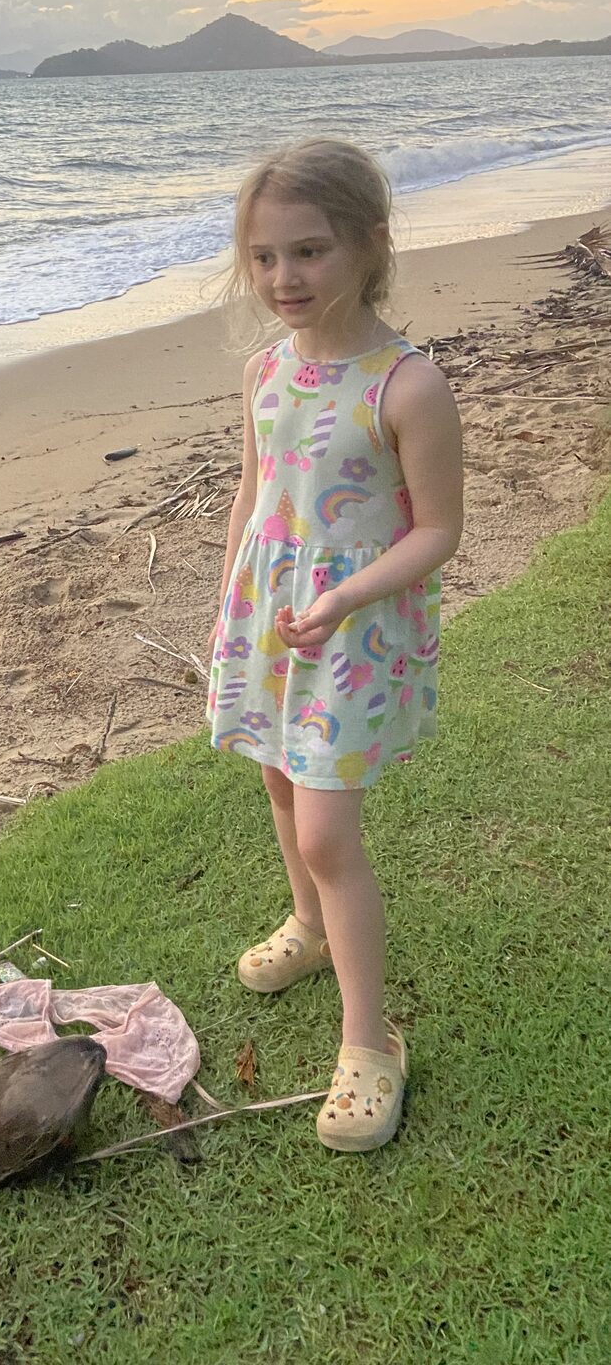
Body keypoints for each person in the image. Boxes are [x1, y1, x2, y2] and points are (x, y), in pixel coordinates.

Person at [207, 138, 463, 1152]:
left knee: (325, 833)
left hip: (355, 635)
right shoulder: (264, 371)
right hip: (273, 622)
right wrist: (231, 599)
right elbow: (254, 493)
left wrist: (347, 596)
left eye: (309, 251)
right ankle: (309, 928)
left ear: (369, 244)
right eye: (264, 256)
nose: (285, 277)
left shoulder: (407, 385)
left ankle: (369, 1042)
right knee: (278, 780)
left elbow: (438, 530)